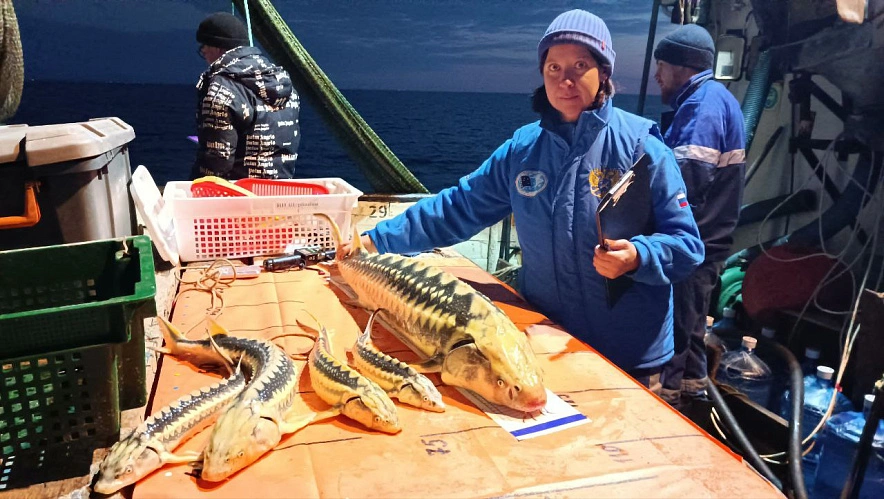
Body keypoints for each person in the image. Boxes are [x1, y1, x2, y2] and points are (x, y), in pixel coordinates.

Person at [341, 9, 704, 390]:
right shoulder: (523, 149)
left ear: (604, 72)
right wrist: (376, 239)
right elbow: (458, 206)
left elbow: (687, 246)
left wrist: (638, 257)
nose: (565, 79)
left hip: (630, 354)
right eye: (553, 67)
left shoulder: (642, 147)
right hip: (544, 343)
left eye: (579, 65)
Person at [653, 24, 746, 409]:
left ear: (682, 67)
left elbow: (685, 180)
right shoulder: (719, 98)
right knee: (691, 329)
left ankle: (667, 407)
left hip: (694, 244)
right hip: (711, 242)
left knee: (675, 329)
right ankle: (694, 397)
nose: (657, 75)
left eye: (661, 66)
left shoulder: (701, 104)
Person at [192, 12, 300, 180]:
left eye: (204, 48)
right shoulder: (286, 85)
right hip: (281, 194)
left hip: (237, 198)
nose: (204, 53)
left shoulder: (221, 89)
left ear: (217, 47)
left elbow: (217, 163)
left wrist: (193, 186)